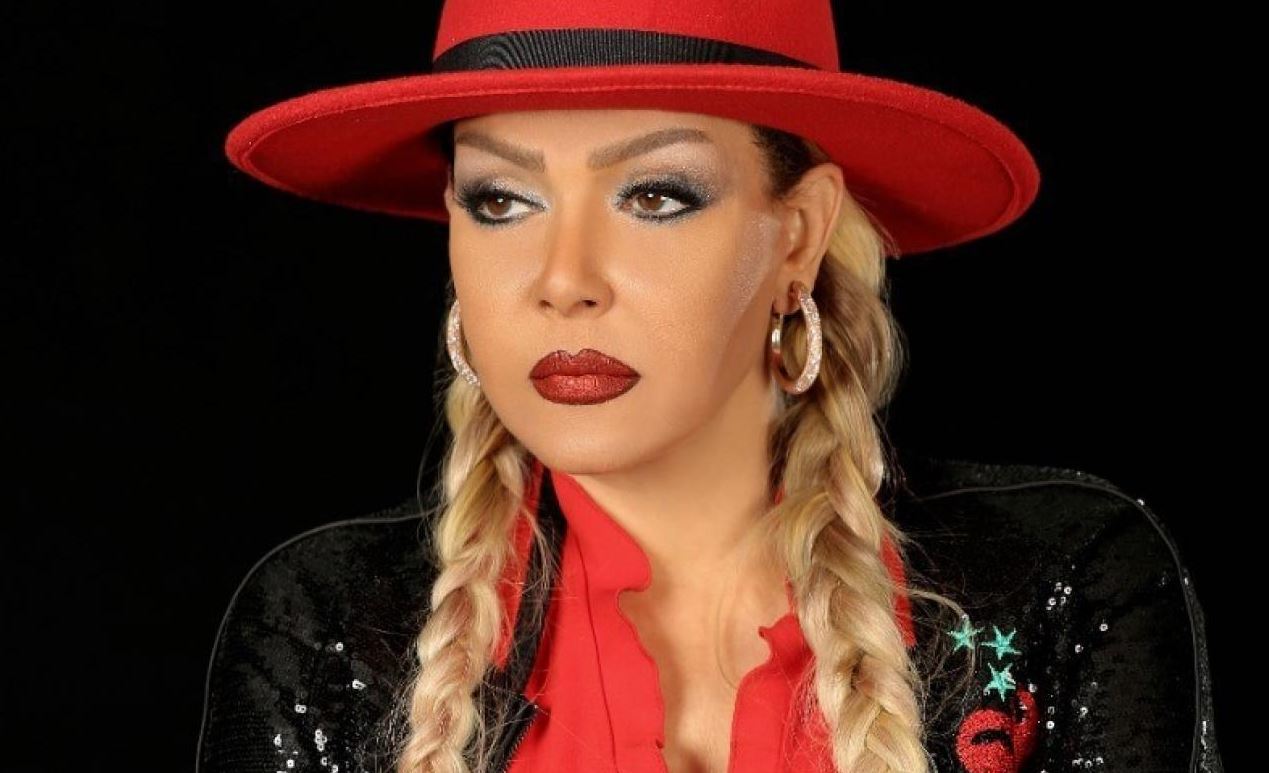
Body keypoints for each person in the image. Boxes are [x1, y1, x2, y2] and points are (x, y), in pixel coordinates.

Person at [196, 2, 1225, 772]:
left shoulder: (1050, 582)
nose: (563, 280)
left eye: (655, 194)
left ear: (798, 234)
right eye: (501, 199)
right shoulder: (334, 623)